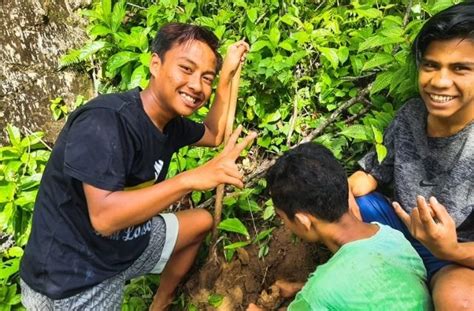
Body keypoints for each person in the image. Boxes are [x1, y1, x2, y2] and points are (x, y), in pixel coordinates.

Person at [20, 23, 255, 310]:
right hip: (74, 277)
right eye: (186, 69)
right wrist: (189, 179)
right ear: (155, 64)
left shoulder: (171, 124)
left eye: (206, 77)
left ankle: (160, 303)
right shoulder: (105, 122)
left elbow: (214, 133)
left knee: (200, 223)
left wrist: (225, 77)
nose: (196, 85)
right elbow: (105, 219)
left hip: (124, 243)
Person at [348, 2, 474, 310]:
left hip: (455, 253)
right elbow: (373, 174)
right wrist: (342, 191)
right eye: (431, 65)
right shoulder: (410, 116)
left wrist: (451, 251)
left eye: (460, 68)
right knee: (339, 208)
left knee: (458, 300)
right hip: (397, 233)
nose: (440, 82)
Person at [248, 143, 431, 311]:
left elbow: (323, 296)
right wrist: (300, 288)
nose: (283, 223)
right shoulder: (392, 238)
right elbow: (372, 290)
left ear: (303, 221)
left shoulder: (317, 295)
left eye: (282, 217)